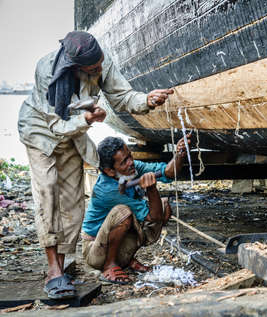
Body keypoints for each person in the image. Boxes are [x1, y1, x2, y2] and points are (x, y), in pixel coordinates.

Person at [17, 31, 174, 299]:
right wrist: (88, 120)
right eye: (93, 69)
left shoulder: (101, 62)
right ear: (75, 68)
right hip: (41, 133)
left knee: (72, 201)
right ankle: (54, 271)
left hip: (74, 134)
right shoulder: (47, 70)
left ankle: (63, 264)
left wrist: (147, 100)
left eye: (100, 64)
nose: (99, 70)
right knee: (48, 194)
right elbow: (56, 124)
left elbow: (122, 96)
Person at [81, 135, 189, 284]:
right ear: (110, 171)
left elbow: (169, 172)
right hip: (96, 251)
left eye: (129, 156)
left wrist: (179, 155)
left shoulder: (132, 168)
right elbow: (153, 217)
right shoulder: (106, 190)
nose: (131, 162)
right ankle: (109, 265)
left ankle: (126, 260)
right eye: (124, 162)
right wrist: (151, 190)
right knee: (123, 212)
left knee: (164, 205)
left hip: (115, 244)